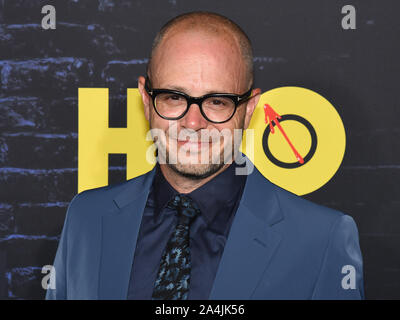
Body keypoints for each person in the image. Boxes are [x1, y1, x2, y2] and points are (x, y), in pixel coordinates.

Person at [46, 11, 364, 300]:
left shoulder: (321, 240)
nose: (193, 123)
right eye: (173, 97)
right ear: (146, 99)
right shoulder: (86, 217)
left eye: (217, 102)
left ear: (249, 109)